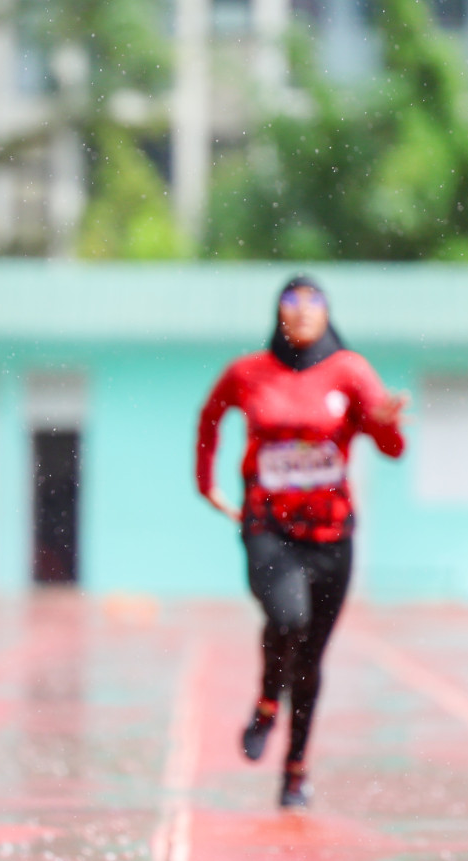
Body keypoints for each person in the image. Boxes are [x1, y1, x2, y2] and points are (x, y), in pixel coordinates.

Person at [196, 275, 407, 809]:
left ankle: (295, 771)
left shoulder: (350, 371)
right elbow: (210, 416)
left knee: (312, 657)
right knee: (287, 619)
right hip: (268, 526)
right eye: (293, 300)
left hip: (332, 535)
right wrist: (207, 484)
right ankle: (268, 701)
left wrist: (385, 424)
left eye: (315, 301)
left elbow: (393, 447)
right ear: (279, 312)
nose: (304, 310)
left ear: (328, 313)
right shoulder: (248, 372)